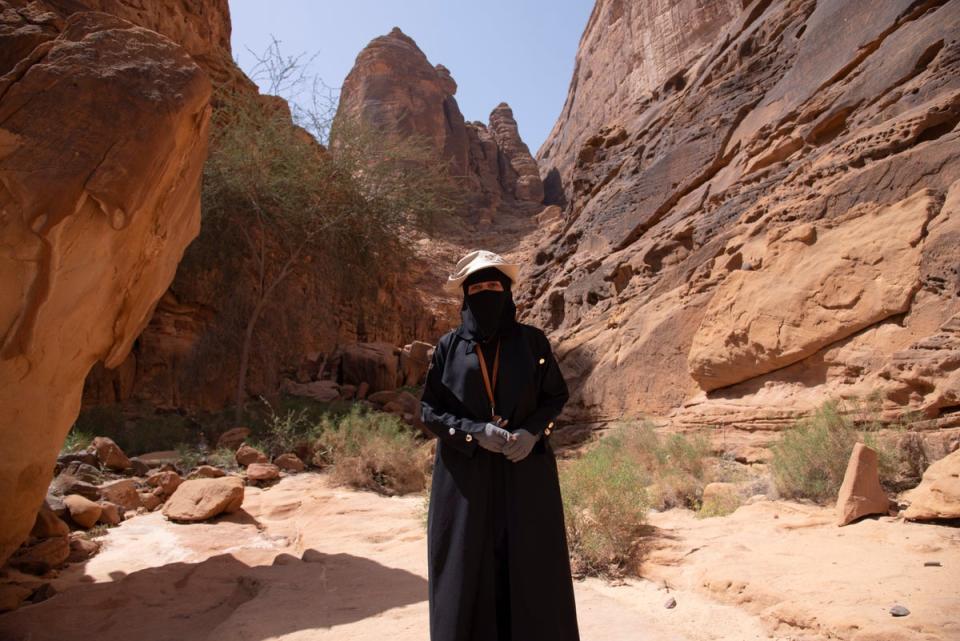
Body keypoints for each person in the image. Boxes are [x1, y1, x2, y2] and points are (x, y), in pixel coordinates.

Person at [420, 249, 581, 641]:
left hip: (525, 473)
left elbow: (554, 397)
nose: (485, 292)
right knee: (465, 567)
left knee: (531, 568)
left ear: (507, 292)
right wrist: (474, 432)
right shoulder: (448, 348)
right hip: (465, 478)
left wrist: (532, 433)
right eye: (477, 286)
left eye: (493, 285)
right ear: (465, 295)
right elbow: (429, 410)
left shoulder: (533, 343)